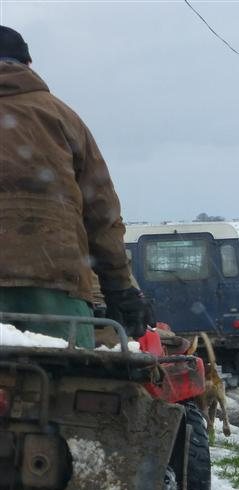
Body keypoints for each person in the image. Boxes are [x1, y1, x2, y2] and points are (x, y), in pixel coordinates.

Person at [0, 26, 152, 347]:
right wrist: (119, 288)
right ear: (28, 64)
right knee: (66, 372)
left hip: (54, 280)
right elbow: (102, 214)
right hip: (56, 285)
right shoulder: (62, 116)